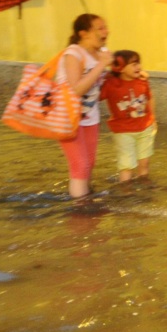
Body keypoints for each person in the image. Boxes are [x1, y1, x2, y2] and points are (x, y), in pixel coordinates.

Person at [56, 13, 113, 199]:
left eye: (105, 27)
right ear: (84, 33)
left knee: (89, 163)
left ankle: (87, 203)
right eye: (100, 28)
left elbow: (99, 90)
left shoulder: (101, 54)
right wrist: (101, 65)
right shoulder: (73, 54)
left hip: (90, 117)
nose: (106, 31)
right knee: (80, 165)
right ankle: (80, 212)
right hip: (68, 118)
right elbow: (77, 89)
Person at [101, 49, 156, 183]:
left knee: (144, 164)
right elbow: (93, 96)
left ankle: (144, 190)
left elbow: (150, 98)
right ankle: (125, 194)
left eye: (139, 63)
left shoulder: (142, 81)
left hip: (145, 128)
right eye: (134, 64)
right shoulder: (111, 84)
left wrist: (153, 118)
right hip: (123, 132)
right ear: (120, 68)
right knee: (126, 167)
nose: (139, 67)